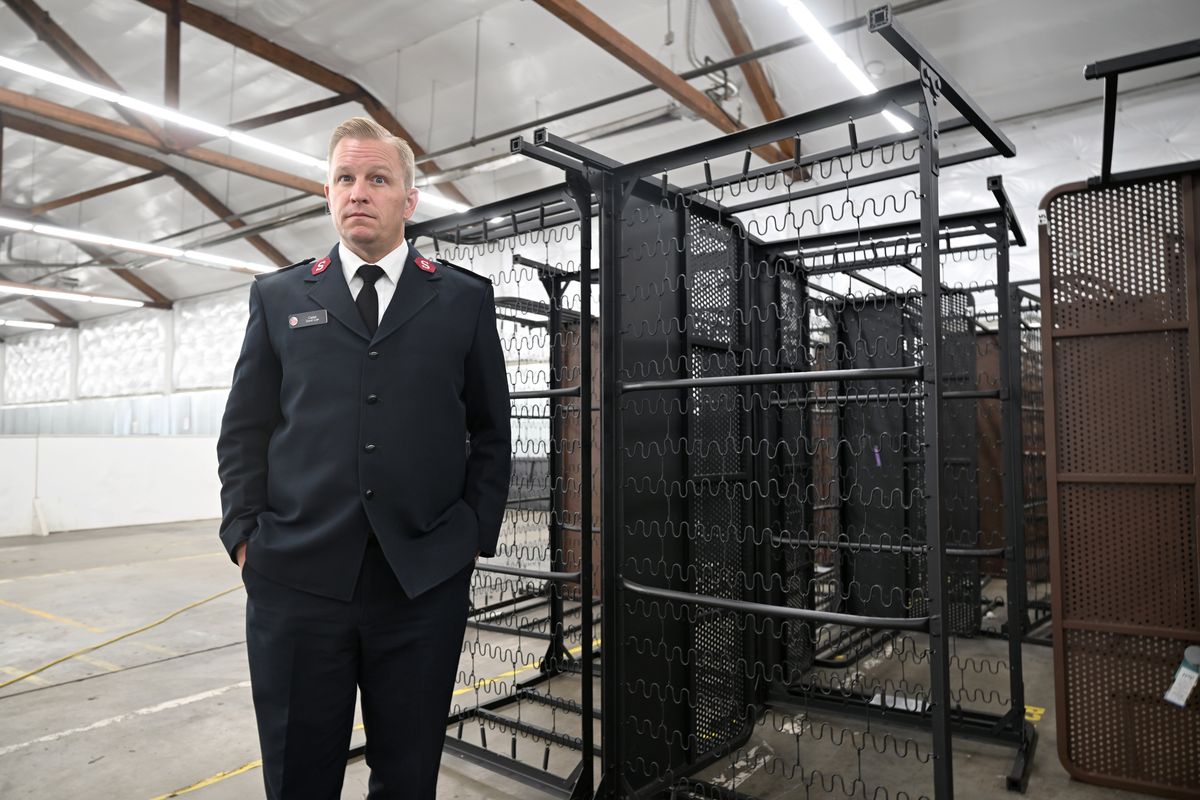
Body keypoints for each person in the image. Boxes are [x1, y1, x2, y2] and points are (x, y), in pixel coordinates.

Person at [216, 116, 511, 799]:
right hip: (295, 579)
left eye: (378, 179)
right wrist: (243, 537)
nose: (359, 192)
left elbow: (491, 432)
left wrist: (471, 535)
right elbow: (244, 429)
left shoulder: (463, 301)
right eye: (345, 178)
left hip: (421, 584)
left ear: (409, 200)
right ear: (327, 192)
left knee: (407, 778)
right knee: (298, 776)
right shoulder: (281, 297)